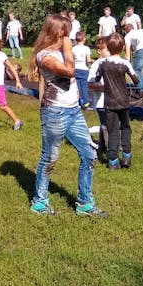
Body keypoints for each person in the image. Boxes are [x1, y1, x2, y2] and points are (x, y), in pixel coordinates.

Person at [29, 14, 107, 217]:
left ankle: (85, 204)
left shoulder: (62, 51)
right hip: (55, 112)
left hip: (74, 111)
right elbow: (70, 71)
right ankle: (39, 202)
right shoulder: (45, 56)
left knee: (89, 154)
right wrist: (67, 47)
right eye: (67, 32)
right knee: (50, 157)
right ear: (58, 32)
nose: (69, 36)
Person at [93, 32, 139, 169]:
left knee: (112, 130)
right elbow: (136, 80)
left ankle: (112, 161)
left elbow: (97, 78)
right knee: (125, 127)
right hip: (123, 101)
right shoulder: (125, 63)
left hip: (110, 102)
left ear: (108, 47)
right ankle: (126, 156)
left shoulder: (103, 64)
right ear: (123, 47)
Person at [88, 37, 110, 161]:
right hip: (102, 102)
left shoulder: (112, 63)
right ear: (99, 51)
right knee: (107, 124)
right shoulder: (96, 65)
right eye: (108, 49)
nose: (110, 52)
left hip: (112, 101)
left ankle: (102, 146)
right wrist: (105, 87)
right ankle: (109, 149)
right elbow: (90, 84)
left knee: (106, 124)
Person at [123, 23, 143, 92]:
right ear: (133, 28)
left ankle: (141, 89)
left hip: (142, 49)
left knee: (137, 70)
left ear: (125, 31)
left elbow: (128, 51)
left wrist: (127, 62)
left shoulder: (128, 36)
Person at [71, 31, 92, 108]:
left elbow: (72, 59)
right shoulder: (86, 49)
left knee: (76, 87)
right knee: (84, 86)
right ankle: (86, 101)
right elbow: (88, 60)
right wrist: (94, 61)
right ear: (84, 39)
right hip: (84, 69)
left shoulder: (73, 49)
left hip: (76, 69)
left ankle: (76, 101)